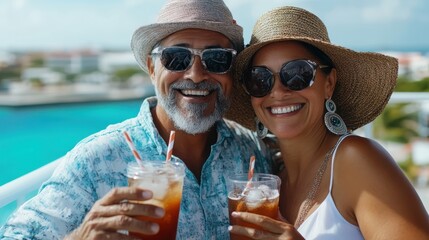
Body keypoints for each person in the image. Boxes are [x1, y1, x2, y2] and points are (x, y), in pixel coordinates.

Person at [0, 0, 275, 239]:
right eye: (176, 58)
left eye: (217, 59)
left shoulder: (250, 151)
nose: (196, 74)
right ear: (152, 68)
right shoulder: (98, 159)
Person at [225, 6, 429, 239]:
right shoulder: (273, 181)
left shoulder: (355, 159)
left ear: (329, 83)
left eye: (297, 73)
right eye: (259, 79)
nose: (278, 91)